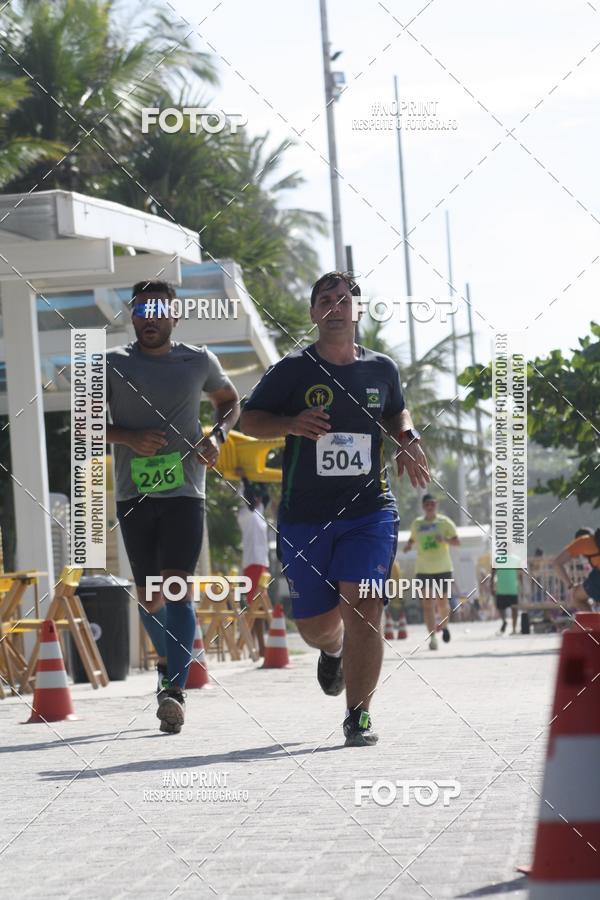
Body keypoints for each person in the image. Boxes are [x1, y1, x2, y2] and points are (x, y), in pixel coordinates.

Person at [240, 270, 430, 746]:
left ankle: (358, 715)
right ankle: (333, 651)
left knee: (365, 607)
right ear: (313, 313)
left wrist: (407, 438)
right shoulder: (292, 369)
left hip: (369, 511)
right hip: (305, 518)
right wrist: (290, 422)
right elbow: (247, 418)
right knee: (318, 628)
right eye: (326, 299)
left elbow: (396, 410)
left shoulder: (381, 369)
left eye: (344, 299)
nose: (336, 306)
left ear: (356, 310)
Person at [106, 280, 239, 733]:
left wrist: (217, 436)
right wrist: (127, 438)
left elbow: (229, 402)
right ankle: (170, 666)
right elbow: (83, 425)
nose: (150, 318)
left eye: (159, 310)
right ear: (132, 314)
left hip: (186, 491)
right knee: (149, 597)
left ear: (174, 316)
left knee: (178, 588)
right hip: (133, 493)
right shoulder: (111, 364)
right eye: (141, 309)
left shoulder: (199, 360)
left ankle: (175, 691)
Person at [404, 494, 459, 650]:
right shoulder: (417, 523)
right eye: (427, 504)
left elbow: (457, 542)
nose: (430, 507)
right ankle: (432, 637)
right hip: (423, 569)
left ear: (437, 505)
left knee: (442, 602)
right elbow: (412, 539)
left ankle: (445, 626)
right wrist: (408, 546)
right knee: (427, 604)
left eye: (432, 504)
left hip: (443, 568)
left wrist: (445, 540)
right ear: (423, 506)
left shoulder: (445, 522)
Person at [237, 476, 270, 656]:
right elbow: (250, 499)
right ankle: (258, 647)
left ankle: (252, 646)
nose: (257, 500)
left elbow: (264, 497)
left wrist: (258, 473)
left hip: (262, 564)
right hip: (252, 564)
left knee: (260, 608)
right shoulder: (245, 514)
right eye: (254, 497)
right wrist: (245, 478)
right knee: (255, 607)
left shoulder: (259, 511)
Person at [553, 527, 600, 611]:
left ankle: (593, 624)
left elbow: (557, 563)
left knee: (576, 597)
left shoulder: (584, 541)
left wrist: (570, 586)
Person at [491, 558, 522, 634]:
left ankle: (504, 620)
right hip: (512, 589)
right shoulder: (516, 559)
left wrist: (491, 586)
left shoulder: (497, 559)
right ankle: (514, 629)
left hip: (501, 589)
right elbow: (520, 574)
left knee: (501, 608)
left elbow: (492, 574)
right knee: (514, 609)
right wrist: (521, 586)